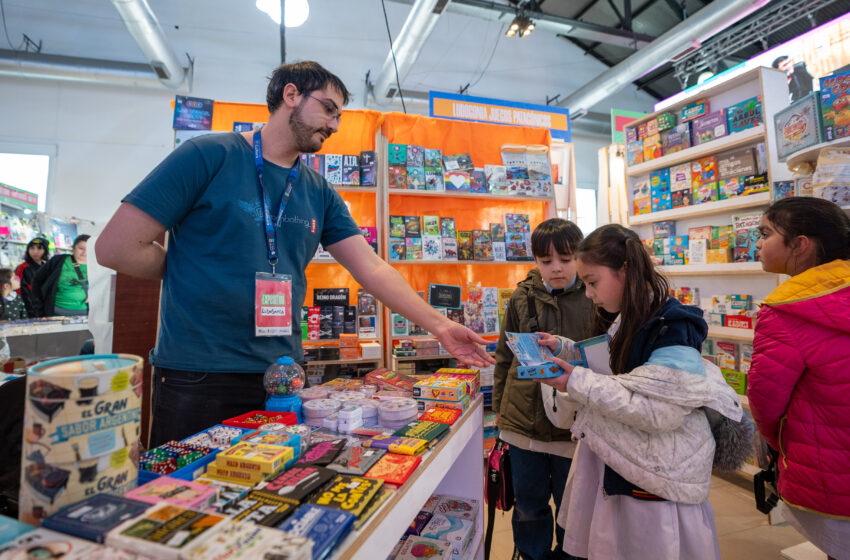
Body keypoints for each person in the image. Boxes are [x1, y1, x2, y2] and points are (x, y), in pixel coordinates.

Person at [95, 61, 493, 446]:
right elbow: (116, 247)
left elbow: (371, 267)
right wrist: (188, 269)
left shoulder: (318, 190)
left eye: (340, 116)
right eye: (328, 109)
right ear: (291, 94)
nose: (335, 125)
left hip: (284, 376)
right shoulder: (208, 156)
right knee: (184, 503)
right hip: (200, 374)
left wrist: (440, 326)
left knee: (273, 504)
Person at [535, 224, 746, 560]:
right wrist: (567, 351)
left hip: (655, 475)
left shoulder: (672, 326)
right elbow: (619, 374)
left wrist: (573, 380)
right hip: (624, 463)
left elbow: (657, 410)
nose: (588, 294)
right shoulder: (627, 316)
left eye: (592, 282)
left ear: (625, 271)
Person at [748, 197, 850, 560]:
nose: (757, 243)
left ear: (800, 244)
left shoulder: (785, 311)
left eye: (765, 233)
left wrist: (777, 442)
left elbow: (765, 399)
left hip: (829, 468)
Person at [493, 218, 595, 560]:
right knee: (529, 506)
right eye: (546, 260)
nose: (556, 269)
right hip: (523, 425)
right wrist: (501, 415)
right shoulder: (521, 297)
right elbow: (505, 358)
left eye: (565, 260)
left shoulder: (594, 295)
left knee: (574, 508)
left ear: (579, 256)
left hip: (575, 427)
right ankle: (531, 555)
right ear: (534, 259)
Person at [32, 235, 89, 317]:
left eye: (89, 249)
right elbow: (37, 280)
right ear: (73, 248)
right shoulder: (57, 261)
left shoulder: (98, 266)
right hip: (57, 312)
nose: (85, 253)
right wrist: (38, 307)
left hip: (86, 313)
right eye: (81, 248)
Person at [15, 237, 49, 317]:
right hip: (29, 309)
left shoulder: (47, 267)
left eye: (39, 248)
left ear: (45, 251)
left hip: (46, 308)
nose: (35, 251)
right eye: (32, 248)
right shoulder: (22, 268)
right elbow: (18, 290)